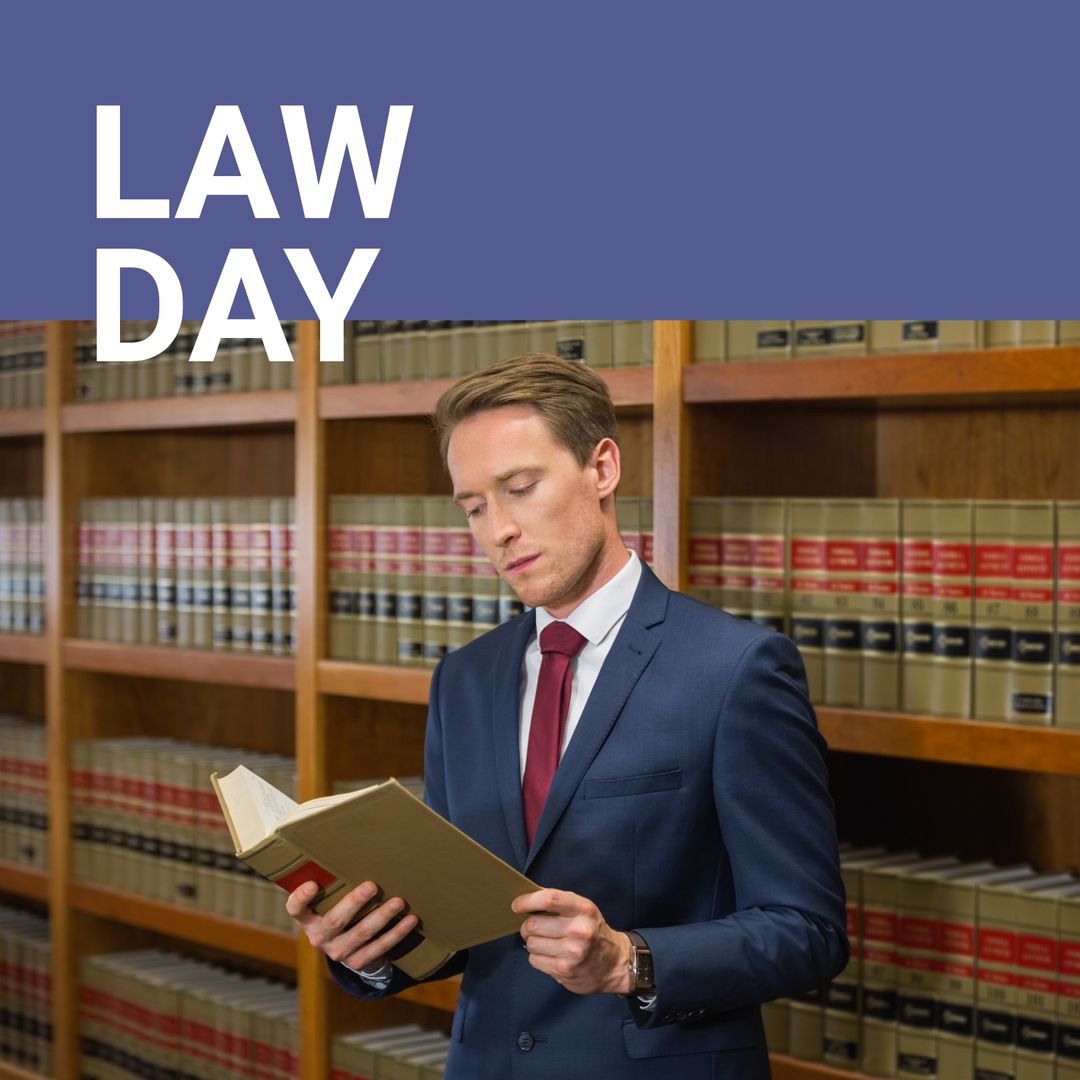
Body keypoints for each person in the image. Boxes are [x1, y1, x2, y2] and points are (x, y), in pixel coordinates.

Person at [287, 353, 848, 1078]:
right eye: (475, 507)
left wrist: (631, 960)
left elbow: (809, 932)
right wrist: (369, 948)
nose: (499, 531)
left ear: (602, 468)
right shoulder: (464, 678)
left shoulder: (736, 669)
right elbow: (463, 922)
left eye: (520, 488)